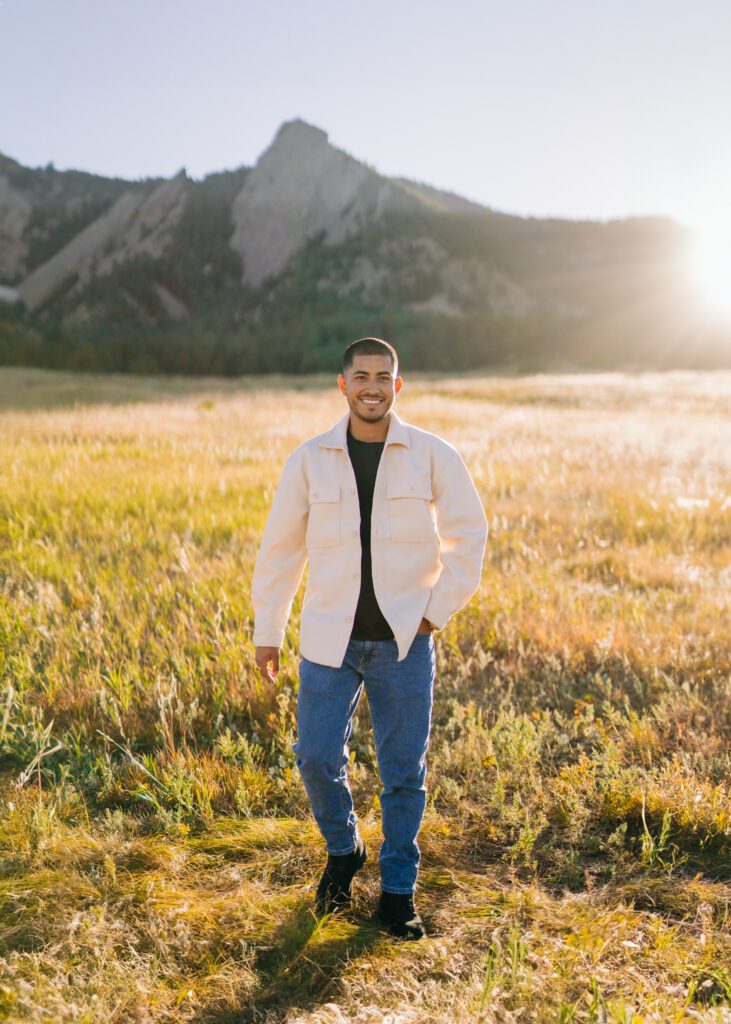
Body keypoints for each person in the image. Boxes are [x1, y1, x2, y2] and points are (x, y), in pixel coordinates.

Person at [252, 337, 487, 940]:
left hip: (405, 644)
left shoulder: (432, 455)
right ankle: (344, 848)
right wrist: (268, 632)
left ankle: (397, 891)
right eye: (362, 376)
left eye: (384, 376)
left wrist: (435, 612)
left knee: (403, 773)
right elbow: (280, 551)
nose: (373, 386)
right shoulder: (309, 459)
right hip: (328, 642)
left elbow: (470, 535)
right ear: (343, 385)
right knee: (315, 757)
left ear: (398, 386)